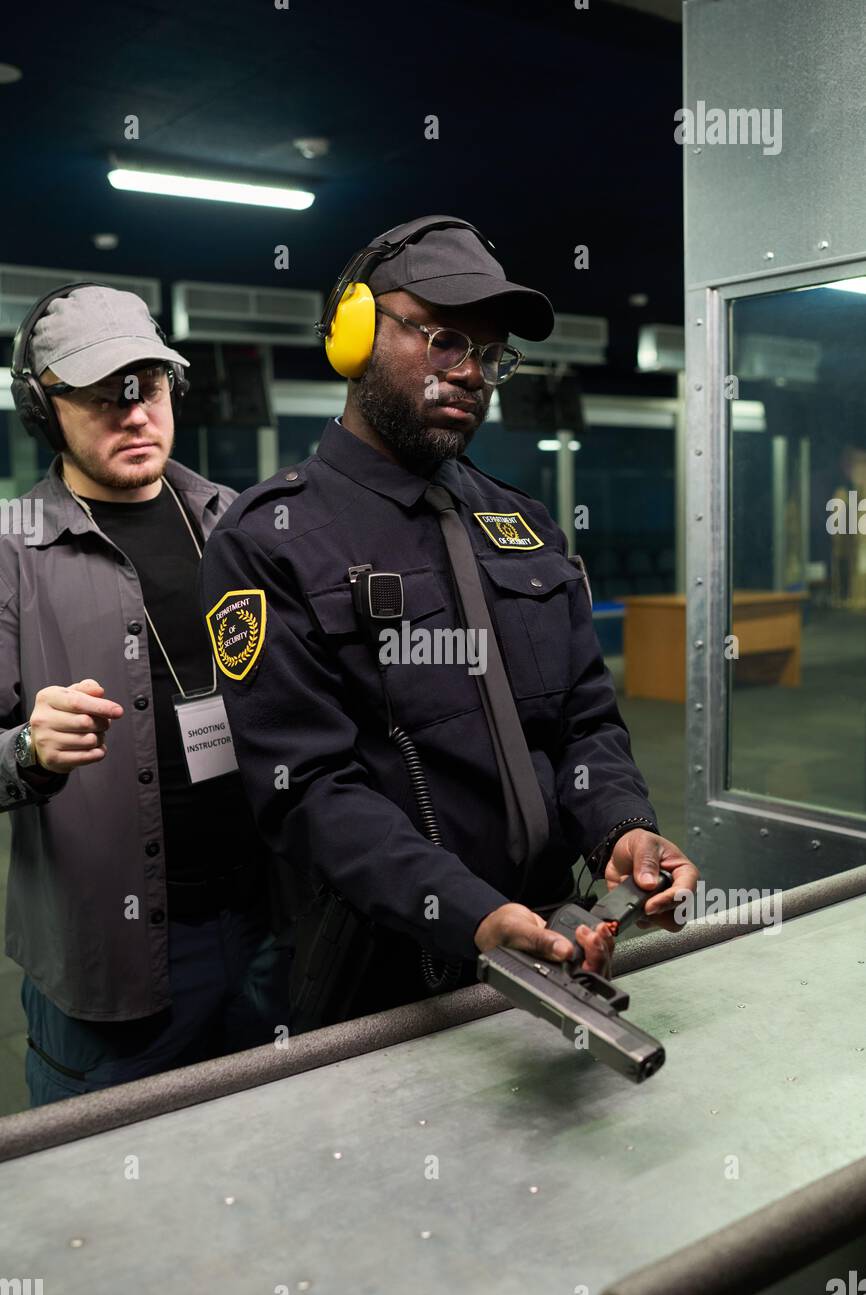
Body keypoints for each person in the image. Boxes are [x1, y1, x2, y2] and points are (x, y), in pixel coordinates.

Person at [199, 215, 699, 1026]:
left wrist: (621, 828)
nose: (472, 373)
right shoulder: (267, 542)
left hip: (554, 937)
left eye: (489, 353)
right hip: (379, 965)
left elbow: (585, 722)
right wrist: (469, 914)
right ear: (356, 335)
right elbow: (309, 789)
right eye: (442, 341)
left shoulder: (524, 522)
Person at [2, 284, 289, 1106]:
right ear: (42, 408)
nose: (133, 415)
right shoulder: (10, 552)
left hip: (269, 928)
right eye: (101, 397)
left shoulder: (236, 524)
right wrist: (27, 748)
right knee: (106, 1207)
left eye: (148, 388)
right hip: (114, 961)